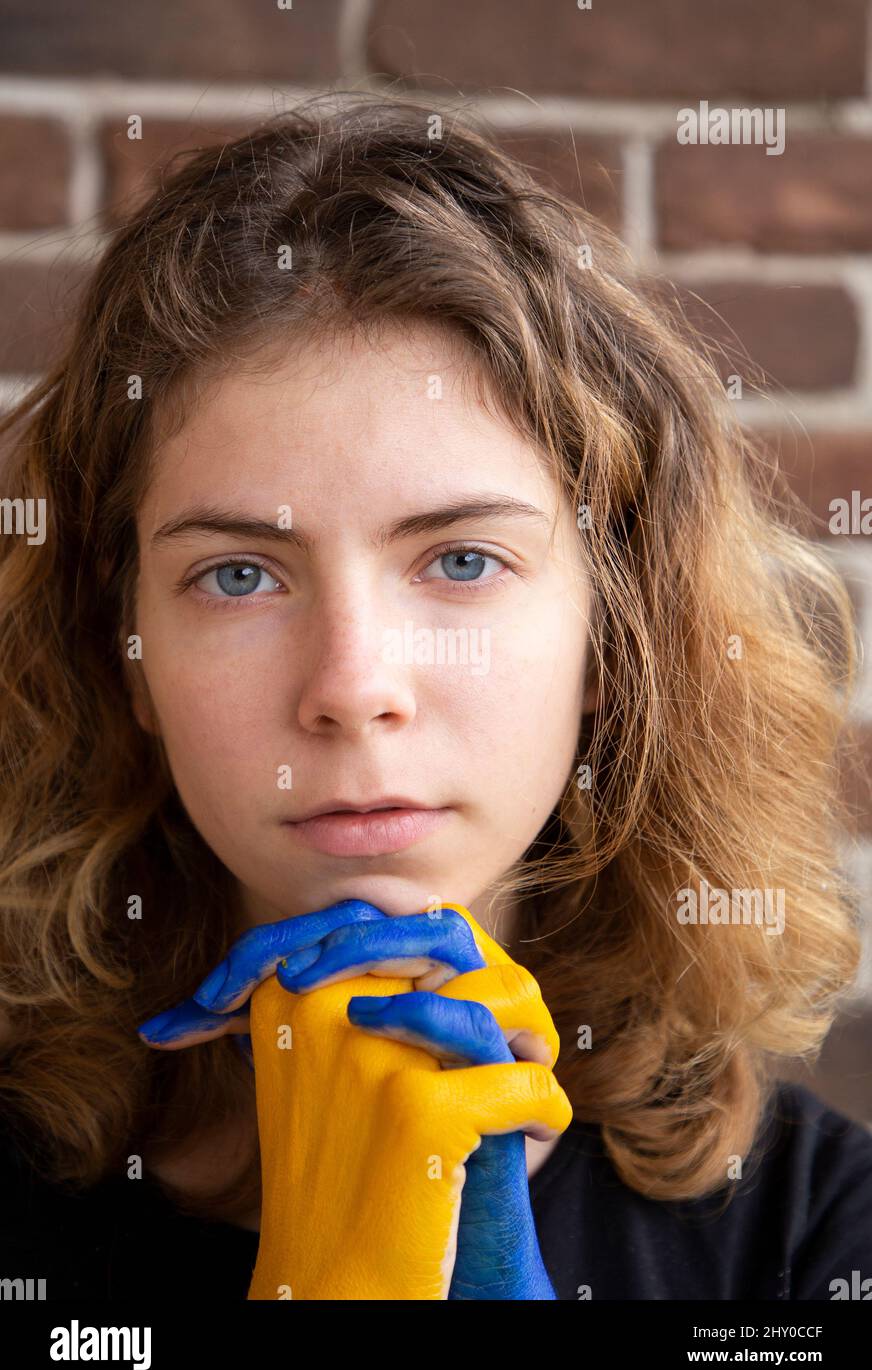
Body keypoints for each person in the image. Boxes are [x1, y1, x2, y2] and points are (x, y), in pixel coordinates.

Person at [0, 91, 870, 1300]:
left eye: (461, 559)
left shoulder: (811, 1239)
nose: (353, 690)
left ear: (611, 634)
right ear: (124, 651)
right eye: (238, 574)